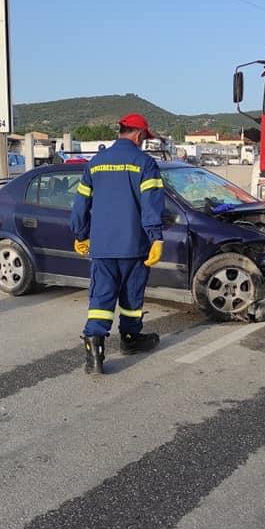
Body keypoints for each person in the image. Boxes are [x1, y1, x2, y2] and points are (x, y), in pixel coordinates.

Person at [70, 113, 165, 375]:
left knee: (101, 296)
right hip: (134, 245)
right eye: (144, 138)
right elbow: (151, 205)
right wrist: (156, 237)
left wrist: (80, 235)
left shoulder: (95, 163)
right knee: (131, 296)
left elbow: (80, 204)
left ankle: (94, 353)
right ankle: (131, 339)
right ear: (139, 135)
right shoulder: (144, 164)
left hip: (101, 246)